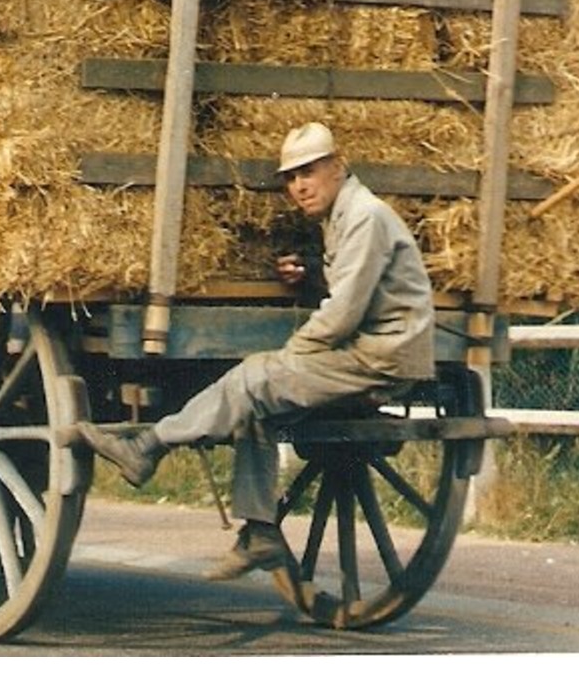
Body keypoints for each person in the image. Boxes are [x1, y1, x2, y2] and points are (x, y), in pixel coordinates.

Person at [77, 121, 435, 581]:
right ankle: (261, 531)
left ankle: (149, 446)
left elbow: (344, 312)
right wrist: (309, 275)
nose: (299, 186)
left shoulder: (364, 216)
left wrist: (292, 355)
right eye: (291, 177)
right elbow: (358, 284)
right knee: (260, 406)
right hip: (372, 350)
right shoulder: (344, 217)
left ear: (338, 166)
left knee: (256, 376)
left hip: (382, 356)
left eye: (309, 171)